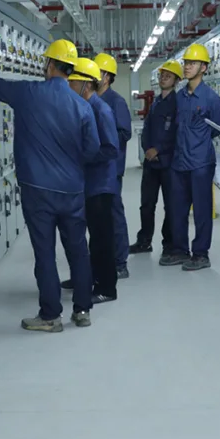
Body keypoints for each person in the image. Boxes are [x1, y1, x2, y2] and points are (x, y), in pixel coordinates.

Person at [0, 39, 100, 333]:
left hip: (38, 190)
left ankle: (51, 315)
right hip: (72, 190)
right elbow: (92, 150)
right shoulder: (82, 106)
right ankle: (82, 309)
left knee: (45, 253)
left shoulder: (29, 93)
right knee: (78, 250)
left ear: (49, 64)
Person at [160, 43, 220, 271]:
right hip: (179, 162)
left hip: (200, 163)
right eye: (186, 63)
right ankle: (180, 250)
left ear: (203, 68)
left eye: (192, 63)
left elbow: (216, 129)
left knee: (202, 211)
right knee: (177, 209)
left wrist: (197, 144)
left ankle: (200, 254)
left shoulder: (212, 99)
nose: (187, 67)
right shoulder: (178, 97)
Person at [61, 58, 119, 303]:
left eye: (73, 82)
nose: (69, 86)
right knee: (86, 237)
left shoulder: (101, 110)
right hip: (86, 184)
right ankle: (85, 278)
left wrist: (83, 156)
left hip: (100, 186)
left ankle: (106, 288)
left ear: (86, 84)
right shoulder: (83, 107)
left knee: (101, 239)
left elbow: (111, 148)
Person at [130, 60, 181, 257]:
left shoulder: (177, 104)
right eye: (162, 75)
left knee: (171, 206)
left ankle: (169, 243)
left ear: (176, 80)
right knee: (147, 204)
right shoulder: (156, 102)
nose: (163, 78)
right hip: (151, 164)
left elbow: (175, 133)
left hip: (168, 163)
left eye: (168, 76)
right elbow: (147, 129)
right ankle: (144, 241)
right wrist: (147, 149)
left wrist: (158, 149)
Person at [95, 53, 132, 279]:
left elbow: (125, 132)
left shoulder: (116, 102)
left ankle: (120, 262)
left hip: (110, 169)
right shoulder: (89, 99)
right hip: (93, 168)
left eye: (97, 72)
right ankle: (101, 262)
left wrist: (100, 140)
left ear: (107, 77)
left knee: (114, 214)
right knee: (96, 218)